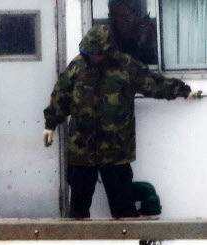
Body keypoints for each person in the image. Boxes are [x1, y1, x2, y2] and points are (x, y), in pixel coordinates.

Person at [42, 25, 199, 219]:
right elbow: (61, 96)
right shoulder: (77, 67)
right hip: (81, 148)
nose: (90, 56)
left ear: (107, 50)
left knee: (123, 207)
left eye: (94, 52)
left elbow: (153, 84)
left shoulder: (126, 66)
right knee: (78, 209)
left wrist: (184, 91)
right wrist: (50, 124)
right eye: (87, 52)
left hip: (115, 149)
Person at [107, 0, 157, 65]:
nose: (124, 20)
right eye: (119, 16)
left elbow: (152, 63)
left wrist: (143, 40)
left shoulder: (146, 32)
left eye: (127, 15)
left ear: (135, 16)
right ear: (112, 17)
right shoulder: (107, 37)